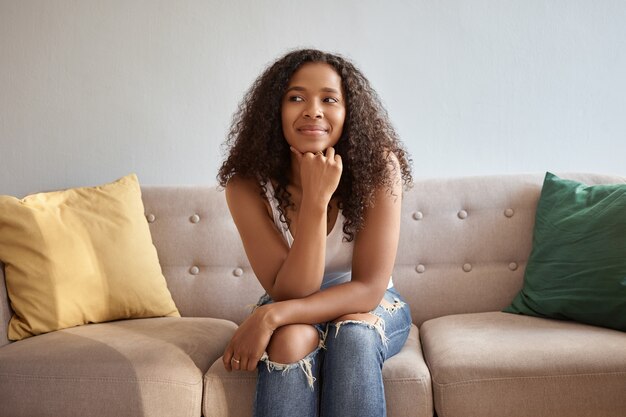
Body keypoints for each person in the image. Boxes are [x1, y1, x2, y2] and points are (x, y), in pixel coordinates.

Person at [217, 48, 413, 417]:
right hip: (293, 297)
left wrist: (269, 317)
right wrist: (316, 201)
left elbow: (369, 288)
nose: (313, 110)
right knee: (292, 340)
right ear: (274, 110)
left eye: (329, 99)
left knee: (353, 334)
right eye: (296, 98)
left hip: (366, 304)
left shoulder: (379, 168)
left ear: (347, 112)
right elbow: (292, 291)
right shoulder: (245, 186)